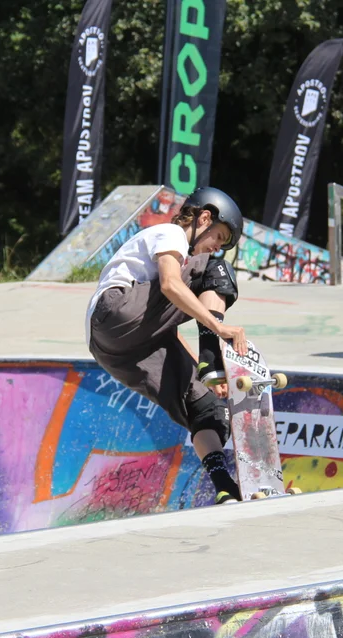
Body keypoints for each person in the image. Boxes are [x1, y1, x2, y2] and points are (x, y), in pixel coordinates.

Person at [86, 187, 248, 504]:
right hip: (116, 309)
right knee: (215, 270)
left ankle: (224, 486)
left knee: (205, 408)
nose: (217, 246)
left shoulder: (177, 254)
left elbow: (167, 328)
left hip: (119, 349)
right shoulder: (172, 233)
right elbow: (171, 284)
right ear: (204, 217)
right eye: (219, 237)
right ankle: (211, 355)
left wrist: (206, 378)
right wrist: (217, 327)